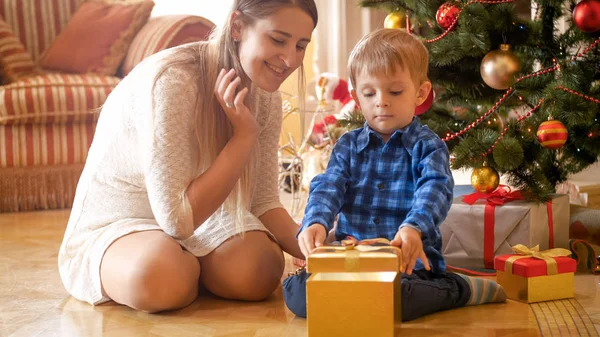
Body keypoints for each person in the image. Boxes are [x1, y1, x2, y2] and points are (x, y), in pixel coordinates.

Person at [58, 0, 317, 314]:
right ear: (237, 27)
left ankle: (192, 267)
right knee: (160, 276)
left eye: (301, 46)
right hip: (125, 219)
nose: (289, 59)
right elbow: (176, 222)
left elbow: (262, 202)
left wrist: (324, 252)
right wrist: (243, 137)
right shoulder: (173, 82)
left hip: (204, 217)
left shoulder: (264, 92)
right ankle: (185, 268)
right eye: (278, 40)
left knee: (260, 270)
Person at [292, 28, 506, 321]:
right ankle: (360, 301)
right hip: (352, 264)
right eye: (370, 93)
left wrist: (413, 228)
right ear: (356, 96)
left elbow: (436, 189)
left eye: (395, 91)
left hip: (406, 268)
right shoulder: (347, 145)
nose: (381, 101)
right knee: (295, 293)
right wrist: (315, 221)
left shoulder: (428, 145)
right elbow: (329, 185)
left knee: (399, 299)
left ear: (420, 93)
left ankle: (459, 289)